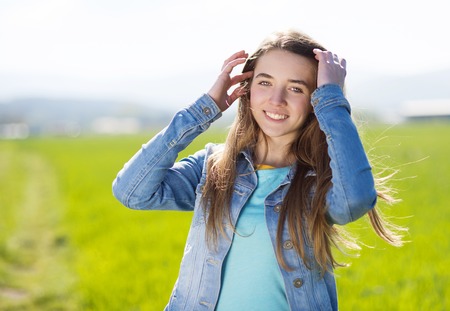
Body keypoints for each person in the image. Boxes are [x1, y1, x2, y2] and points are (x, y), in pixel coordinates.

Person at [112, 29, 403, 311]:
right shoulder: (213, 167)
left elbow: (355, 199)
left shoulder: (319, 182)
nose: (276, 100)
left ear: (315, 101)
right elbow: (131, 192)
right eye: (265, 83)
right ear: (247, 90)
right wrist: (206, 107)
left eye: (295, 88)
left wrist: (332, 100)